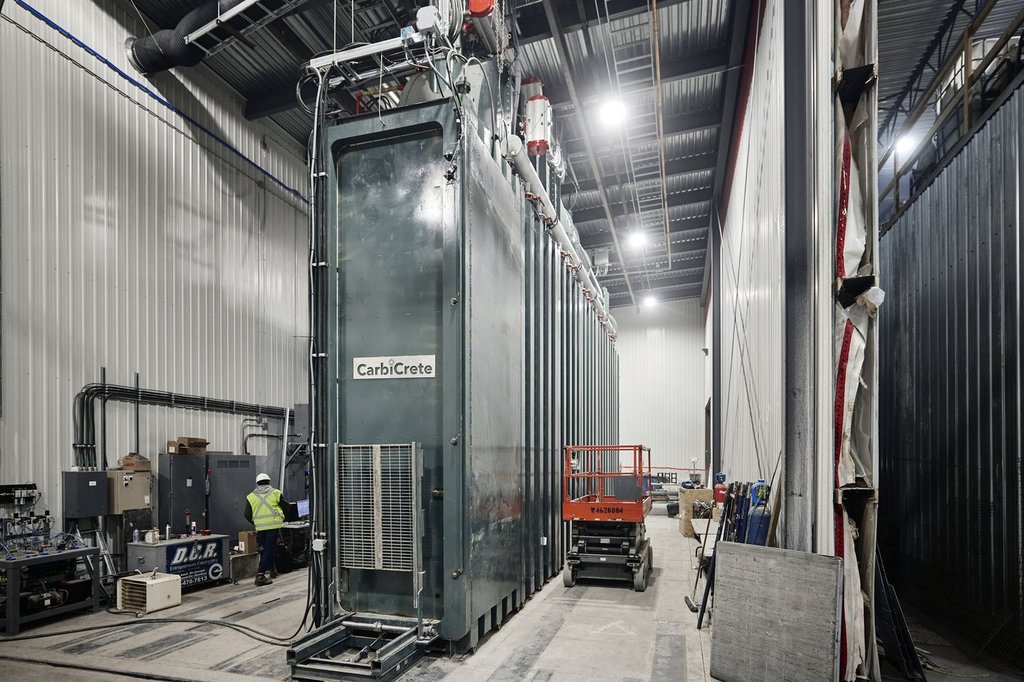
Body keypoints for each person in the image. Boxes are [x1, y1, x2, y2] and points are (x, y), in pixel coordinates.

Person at [244, 472, 288, 586]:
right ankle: (260, 575)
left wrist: (256, 521)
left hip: (260, 527)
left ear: (257, 483)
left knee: (266, 549)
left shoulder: (251, 496)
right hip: (273, 525)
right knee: (269, 549)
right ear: (269, 482)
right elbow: (286, 506)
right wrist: (282, 517)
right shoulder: (276, 493)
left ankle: (272, 570)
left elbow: (247, 513)